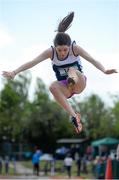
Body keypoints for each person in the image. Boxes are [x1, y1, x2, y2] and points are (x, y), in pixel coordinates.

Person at [2, 12, 117, 134]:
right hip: (66, 88)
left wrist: (104, 70)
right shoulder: (50, 52)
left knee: (72, 70)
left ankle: (71, 78)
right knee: (52, 86)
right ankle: (74, 117)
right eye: (59, 50)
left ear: (69, 46)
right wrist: (15, 72)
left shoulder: (75, 49)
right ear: (55, 47)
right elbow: (33, 62)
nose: (62, 53)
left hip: (79, 82)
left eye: (65, 50)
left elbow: (92, 60)